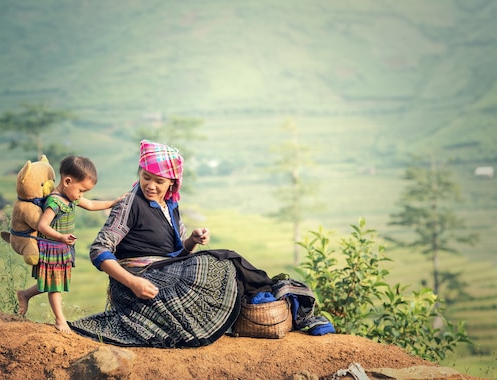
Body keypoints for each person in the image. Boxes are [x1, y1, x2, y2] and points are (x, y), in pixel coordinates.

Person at [69, 140, 333, 347]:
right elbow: (99, 249)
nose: (150, 185)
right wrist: (133, 282)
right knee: (223, 260)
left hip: (165, 272)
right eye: (146, 177)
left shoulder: (170, 206)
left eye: (158, 181)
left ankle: (280, 304)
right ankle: (276, 297)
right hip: (138, 281)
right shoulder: (129, 203)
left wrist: (192, 241)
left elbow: (174, 254)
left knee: (221, 266)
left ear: (171, 182)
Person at [17, 155, 126, 333]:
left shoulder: (71, 197)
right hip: (52, 247)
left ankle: (25, 294)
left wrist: (114, 203)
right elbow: (43, 225)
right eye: (81, 190)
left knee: (54, 281)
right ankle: (60, 321)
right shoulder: (55, 201)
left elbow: (90, 205)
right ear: (67, 181)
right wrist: (60, 237)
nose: (82, 195)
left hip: (62, 247)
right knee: (55, 286)